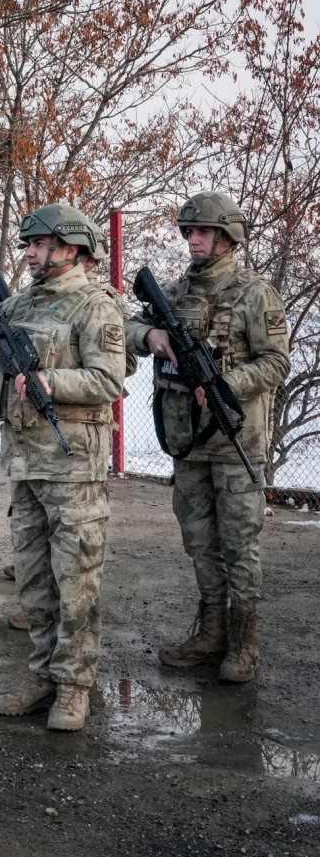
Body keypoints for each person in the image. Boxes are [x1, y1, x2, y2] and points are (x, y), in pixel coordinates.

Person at [0, 203, 125, 731]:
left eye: (38, 244)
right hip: (25, 463)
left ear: (69, 248)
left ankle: (74, 687)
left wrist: (54, 382)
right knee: (32, 579)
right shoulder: (24, 300)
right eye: (28, 244)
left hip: (73, 465)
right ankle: (42, 675)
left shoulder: (95, 307)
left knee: (75, 580)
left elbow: (109, 381)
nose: (28, 253)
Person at [125, 191, 290, 683]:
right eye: (189, 232)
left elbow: (277, 362)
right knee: (198, 541)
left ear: (227, 236)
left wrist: (225, 385)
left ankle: (244, 641)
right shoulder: (173, 293)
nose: (193, 239)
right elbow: (133, 324)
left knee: (240, 543)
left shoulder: (255, 293)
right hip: (188, 442)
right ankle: (211, 631)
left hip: (235, 444)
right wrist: (147, 337)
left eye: (203, 232)